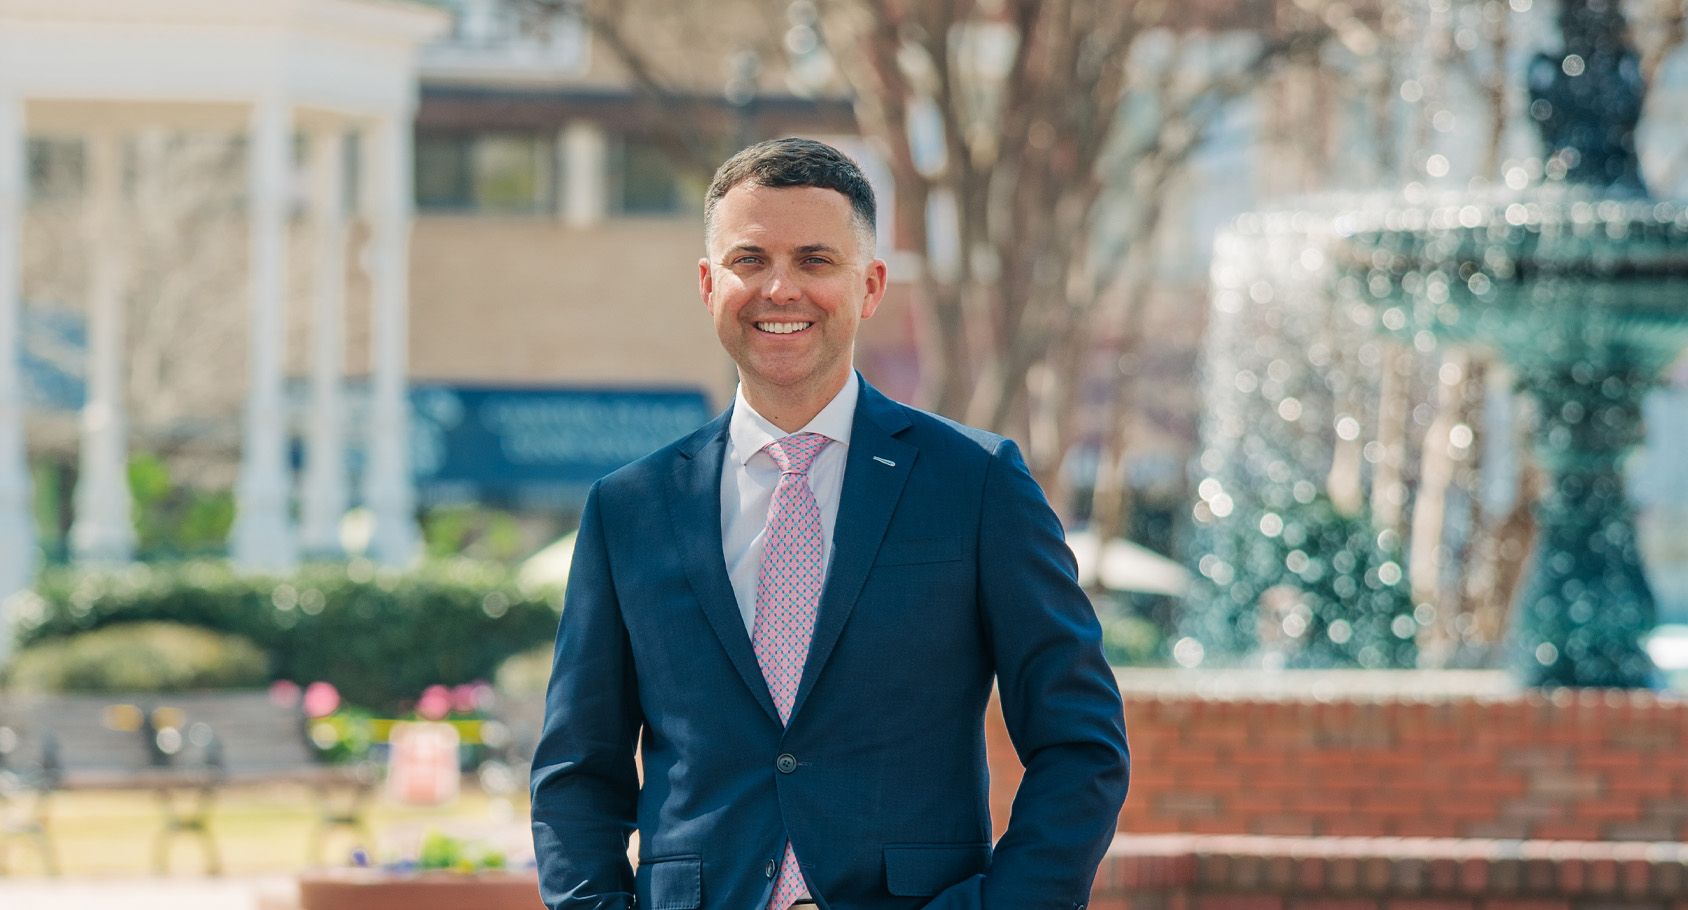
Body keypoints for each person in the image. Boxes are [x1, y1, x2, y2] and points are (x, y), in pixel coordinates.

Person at [531, 137, 1129, 910]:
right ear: (709, 284)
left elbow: (1081, 744)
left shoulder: (976, 485)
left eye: (815, 261)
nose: (780, 289)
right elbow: (578, 772)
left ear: (871, 285)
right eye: (750, 260)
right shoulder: (629, 508)